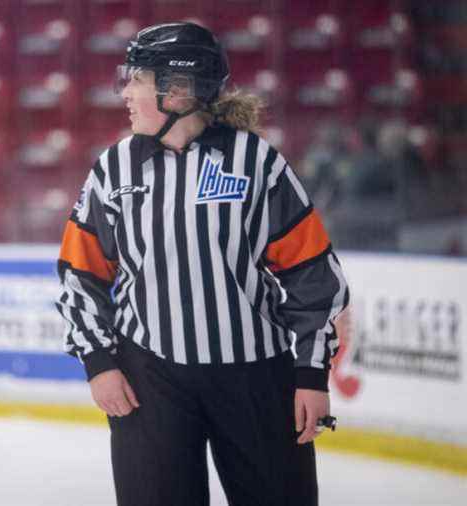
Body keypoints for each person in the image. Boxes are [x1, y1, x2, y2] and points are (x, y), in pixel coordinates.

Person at [55, 22, 349, 506]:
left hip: (256, 377)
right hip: (148, 381)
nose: (125, 92)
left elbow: (313, 274)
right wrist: (98, 362)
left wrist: (311, 375)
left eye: (137, 81)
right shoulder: (114, 169)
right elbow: (79, 275)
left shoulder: (257, 163)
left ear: (177, 90)